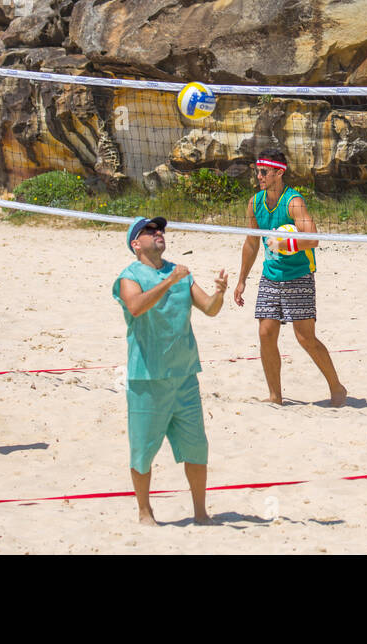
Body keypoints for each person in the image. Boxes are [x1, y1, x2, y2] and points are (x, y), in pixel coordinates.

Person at [114, 216, 228, 525]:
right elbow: (136, 306)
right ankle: (144, 511)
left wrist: (219, 293)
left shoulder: (180, 273)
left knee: (196, 447)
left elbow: (209, 308)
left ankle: (201, 512)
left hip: (185, 375)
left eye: (159, 229)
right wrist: (169, 281)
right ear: (136, 244)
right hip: (147, 378)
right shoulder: (130, 276)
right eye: (150, 230)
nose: (158, 233)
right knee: (143, 450)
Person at [232, 149, 346, 406]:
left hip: (298, 275)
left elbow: (314, 238)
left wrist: (287, 244)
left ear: (279, 172)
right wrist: (242, 280)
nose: (259, 176)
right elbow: (251, 243)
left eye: (264, 172)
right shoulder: (255, 202)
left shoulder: (293, 202)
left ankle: (337, 387)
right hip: (270, 276)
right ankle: (275, 396)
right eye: (257, 171)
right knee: (265, 333)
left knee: (305, 338)